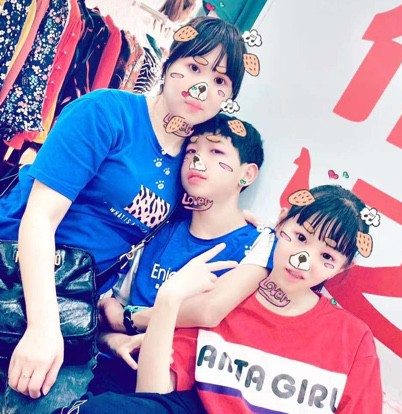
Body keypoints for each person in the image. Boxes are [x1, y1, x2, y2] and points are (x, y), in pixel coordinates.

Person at [0, 16, 249, 412]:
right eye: (194, 67)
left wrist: (244, 219)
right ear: (169, 61)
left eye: (220, 81)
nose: (201, 87)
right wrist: (43, 328)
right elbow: (40, 218)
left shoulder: (189, 165)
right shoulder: (105, 113)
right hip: (15, 273)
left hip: (75, 306)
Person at [59, 185, 382, 413]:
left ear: (344, 267)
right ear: (280, 223)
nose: (304, 260)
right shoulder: (226, 301)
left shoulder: (353, 339)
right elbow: (153, 396)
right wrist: (170, 300)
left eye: (327, 256)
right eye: (300, 237)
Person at [88, 112, 268, 395]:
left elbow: (208, 312)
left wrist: (130, 319)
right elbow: (106, 320)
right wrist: (115, 341)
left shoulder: (259, 246)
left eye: (216, 152)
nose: (198, 161)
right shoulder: (157, 230)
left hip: (184, 392)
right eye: (192, 151)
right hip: (113, 376)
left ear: (247, 174)